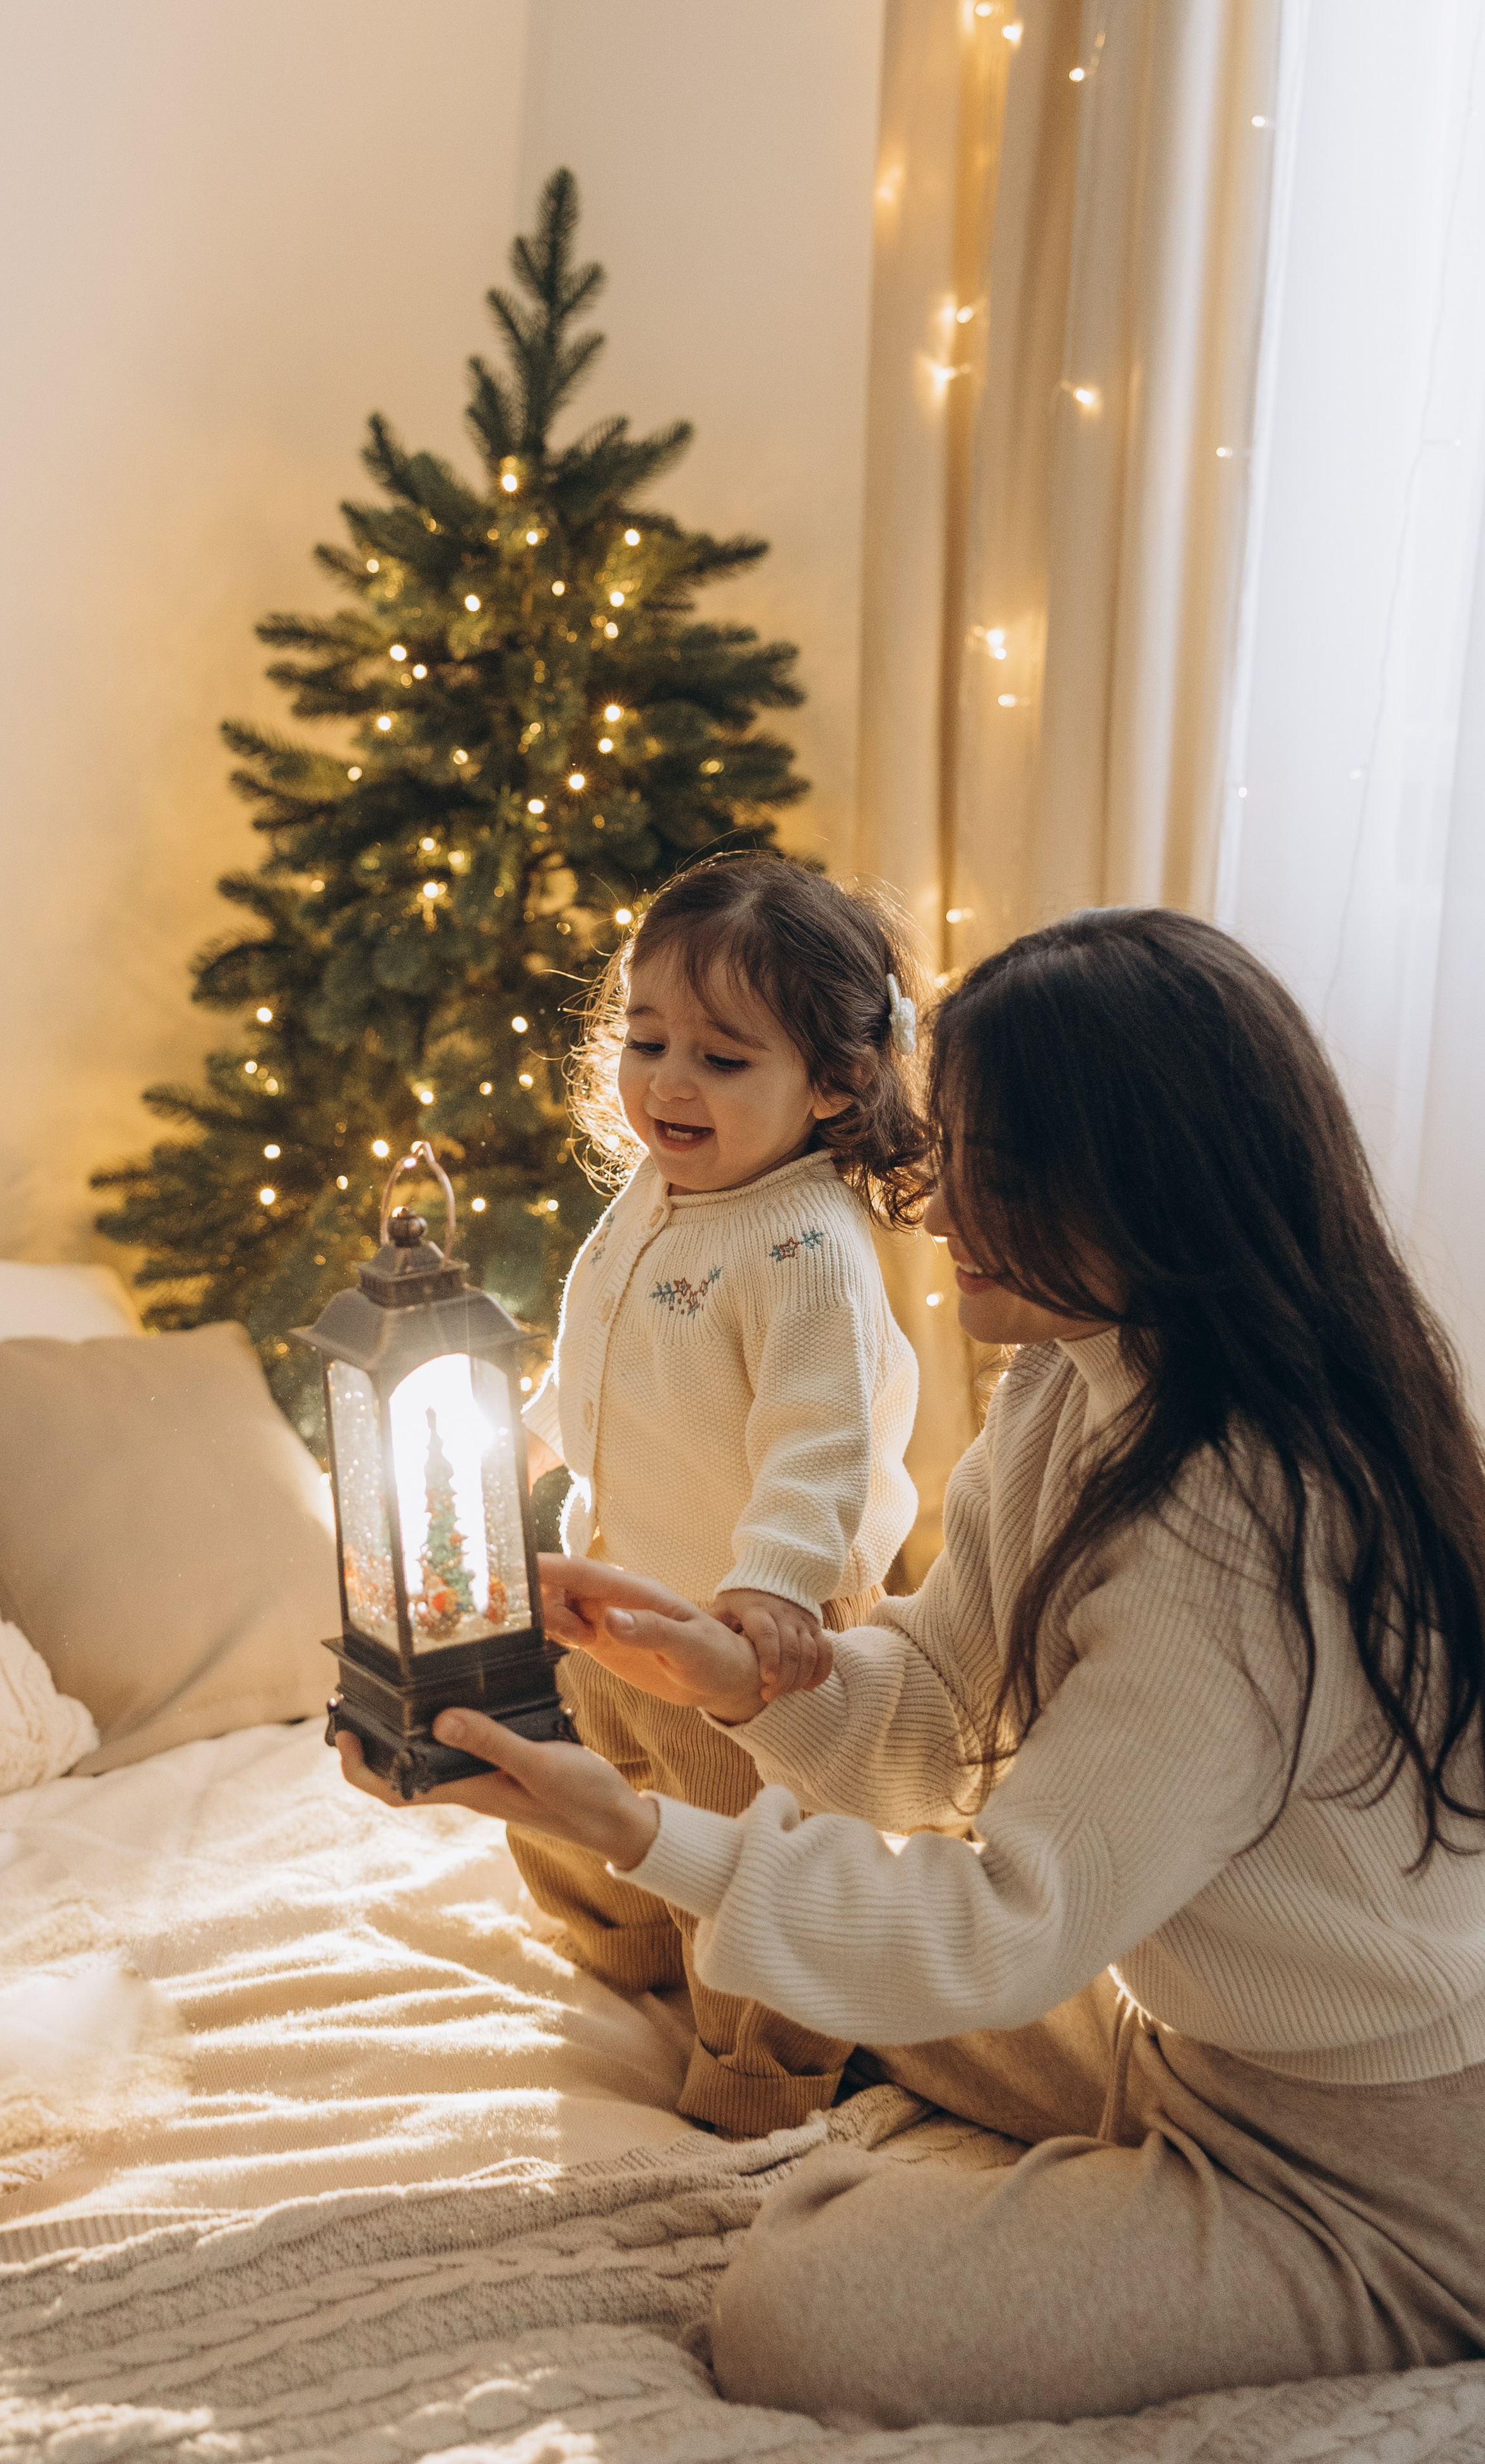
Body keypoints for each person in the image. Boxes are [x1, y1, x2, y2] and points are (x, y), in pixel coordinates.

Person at [338, 906, 1485, 2428]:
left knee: (799, 2306)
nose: (933, 1205)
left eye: (987, 1169)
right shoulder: (1069, 1384)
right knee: (841, 1964)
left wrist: (628, 1825)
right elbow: (943, 1719)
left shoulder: (1236, 1529)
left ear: (1129, 1185)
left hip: (1386, 2173)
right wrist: (723, 1678)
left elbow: (1007, 1923)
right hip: (1181, 2041)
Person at [507, 852, 929, 2134]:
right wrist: (532, 1446)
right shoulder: (656, 1189)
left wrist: (772, 1590)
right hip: (621, 1584)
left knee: (752, 1846)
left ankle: (765, 2069)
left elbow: (820, 1438)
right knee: (588, 1772)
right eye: (644, 1041)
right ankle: (633, 1954)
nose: (667, 1082)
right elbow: (603, 1354)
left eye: (721, 1058)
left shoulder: (805, 1242)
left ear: (835, 1083)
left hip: (746, 1623)